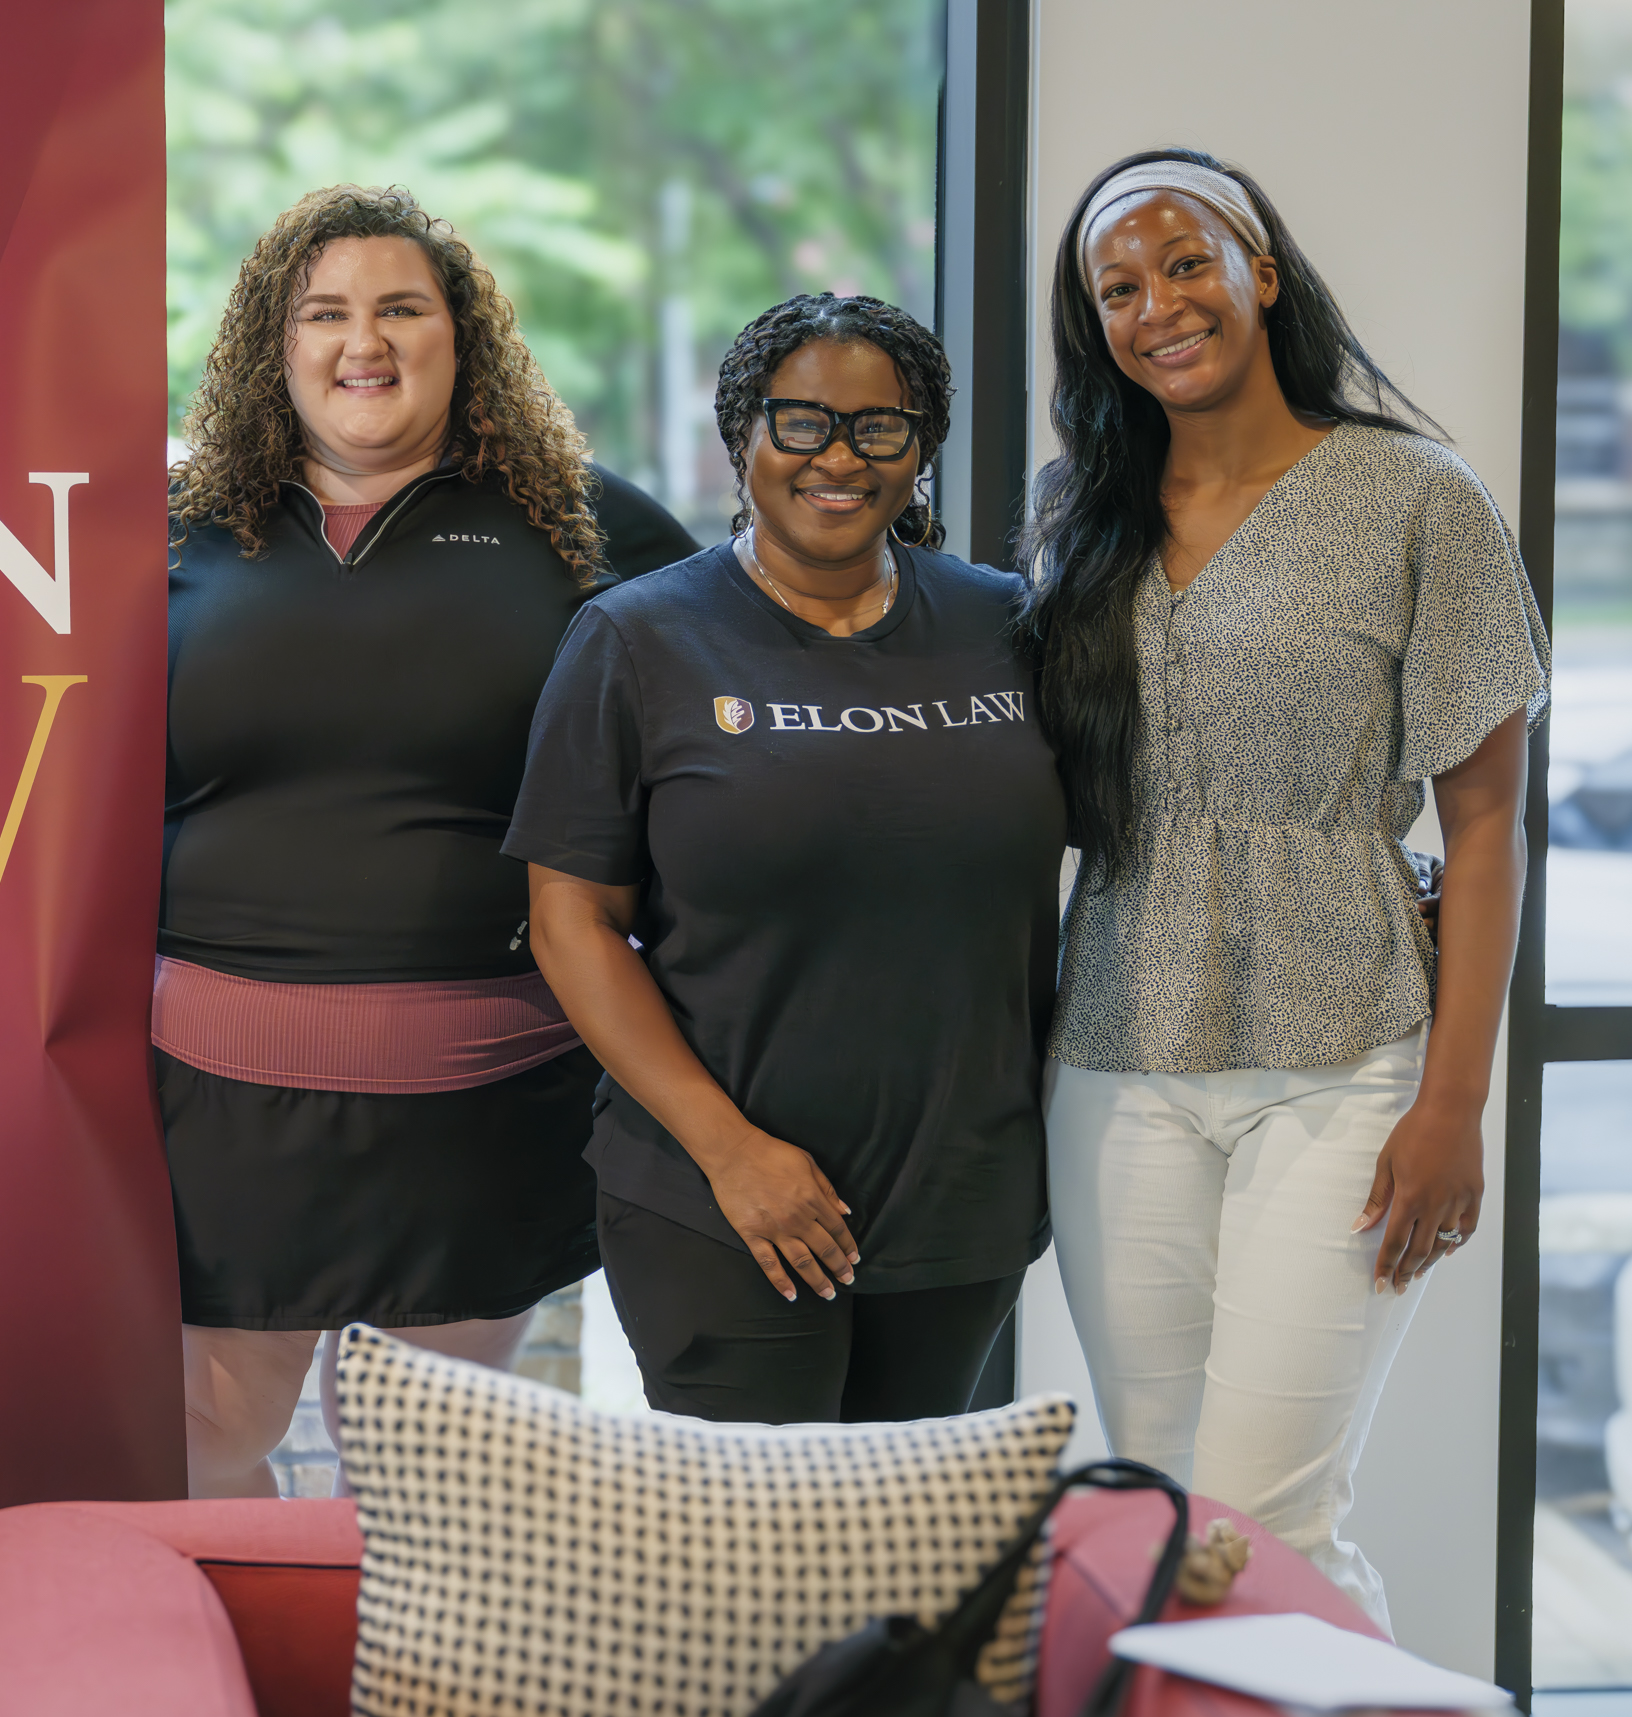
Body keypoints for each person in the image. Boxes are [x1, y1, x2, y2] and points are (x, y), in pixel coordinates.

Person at [1017, 151, 1546, 1629]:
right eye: (1115, 288)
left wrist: (1454, 1106)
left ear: (1261, 267)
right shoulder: (1082, 513)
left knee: (1272, 1525)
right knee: (1169, 1510)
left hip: (1348, 1062)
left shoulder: (1414, 497)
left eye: (1185, 262)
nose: (1157, 305)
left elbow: (1490, 822)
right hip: (1118, 1057)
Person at [163, 184, 696, 1496]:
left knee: (422, 1476)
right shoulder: (171, 529)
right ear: (272, 348)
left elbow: (729, 696)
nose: (366, 341)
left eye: (403, 307)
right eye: (326, 313)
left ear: (466, 338)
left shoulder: (586, 525)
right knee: (198, 1452)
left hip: (484, 1102)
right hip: (212, 1100)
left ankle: (397, 1708)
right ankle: (233, 1701)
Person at [510, 293, 1065, 1423]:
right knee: (751, 1582)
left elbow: (1139, 831)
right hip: (718, 1203)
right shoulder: (638, 637)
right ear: (743, 439)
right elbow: (571, 921)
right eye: (800, 421)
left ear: (922, 451)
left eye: (879, 427)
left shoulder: (1013, 626)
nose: (839, 456)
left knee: (908, 1566)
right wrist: (733, 1153)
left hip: (959, 1199)